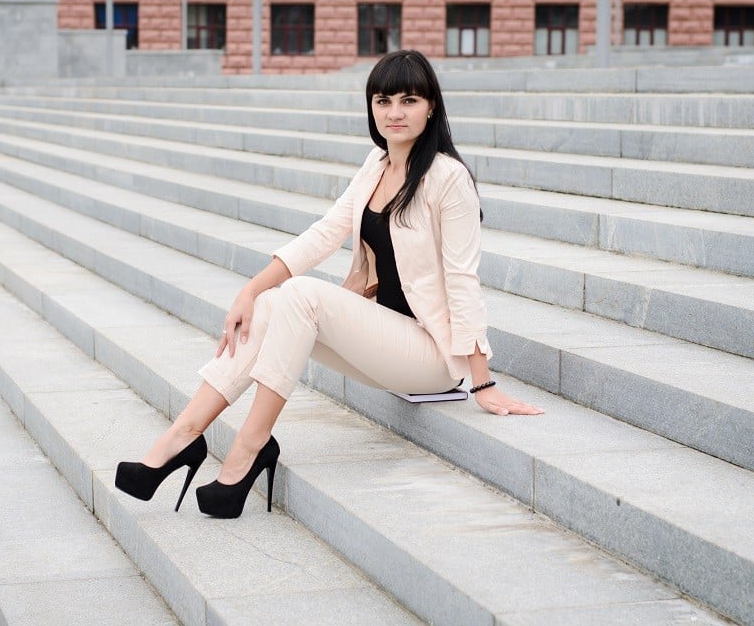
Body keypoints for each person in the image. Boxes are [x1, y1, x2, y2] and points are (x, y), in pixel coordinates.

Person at [115, 50, 544, 519]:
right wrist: (250, 291)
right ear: (371, 107)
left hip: (429, 354)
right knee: (274, 300)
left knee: (300, 296)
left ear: (431, 107)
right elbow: (323, 234)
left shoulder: (448, 179)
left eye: (408, 100)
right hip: (383, 335)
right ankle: (180, 436)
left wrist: (482, 383)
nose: (394, 113)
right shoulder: (376, 165)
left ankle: (250, 446)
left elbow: (464, 280)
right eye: (383, 101)